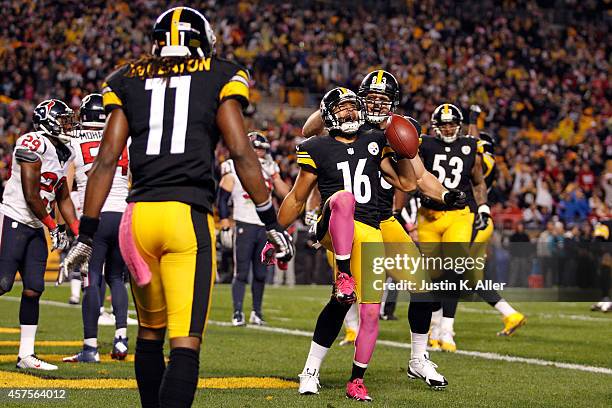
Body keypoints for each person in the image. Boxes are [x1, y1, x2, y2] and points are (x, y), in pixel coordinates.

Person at [62, 7, 293, 407]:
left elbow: (104, 162)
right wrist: (269, 218)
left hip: (138, 221)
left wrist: (85, 234)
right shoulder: (219, 74)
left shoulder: (126, 78)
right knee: (184, 343)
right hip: (186, 216)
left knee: (149, 333)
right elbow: (241, 151)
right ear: (201, 42)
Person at [283, 87, 462, 401]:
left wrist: (445, 194)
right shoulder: (345, 126)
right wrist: (339, 104)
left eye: (383, 99)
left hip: (383, 222)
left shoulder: (389, 134)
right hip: (347, 222)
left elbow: (414, 178)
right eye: (370, 98)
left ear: (393, 104)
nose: (375, 104)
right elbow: (310, 130)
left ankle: (418, 359)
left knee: (422, 289)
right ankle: (311, 368)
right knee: (342, 298)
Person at [0, 99, 79, 370]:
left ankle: (25, 354)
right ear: (48, 120)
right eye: (63, 118)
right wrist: (53, 225)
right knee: (3, 283)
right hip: (13, 217)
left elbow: (62, 195)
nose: (68, 123)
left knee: (34, 289)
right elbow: (31, 193)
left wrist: (80, 231)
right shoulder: (32, 142)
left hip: (35, 226)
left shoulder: (66, 150)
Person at [61, 93, 130, 363]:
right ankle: (121, 340)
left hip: (94, 216)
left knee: (92, 279)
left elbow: (65, 187)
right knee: (116, 277)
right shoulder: (124, 138)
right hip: (122, 214)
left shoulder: (74, 142)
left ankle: (90, 347)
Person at [418, 103, 488, 353]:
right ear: (435, 126)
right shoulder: (424, 144)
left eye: (451, 123)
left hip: (459, 213)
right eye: (443, 124)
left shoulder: (470, 146)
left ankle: (447, 327)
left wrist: (483, 207)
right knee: (432, 275)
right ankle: (435, 321)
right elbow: (412, 173)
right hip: (428, 215)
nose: (448, 128)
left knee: (455, 265)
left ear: (459, 125)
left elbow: (478, 181)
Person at [218, 132, 290, 326]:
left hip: (265, 227)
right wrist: (225, 223)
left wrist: (275, 176)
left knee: (261, 273)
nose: (260, 152)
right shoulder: (233, 166)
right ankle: (238, 312)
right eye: (256, 148)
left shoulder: (270, 167)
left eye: (262, 149)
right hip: (244, 223)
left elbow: (285, 194)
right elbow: (223, 198)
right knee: (241, 272)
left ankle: (256, 313)